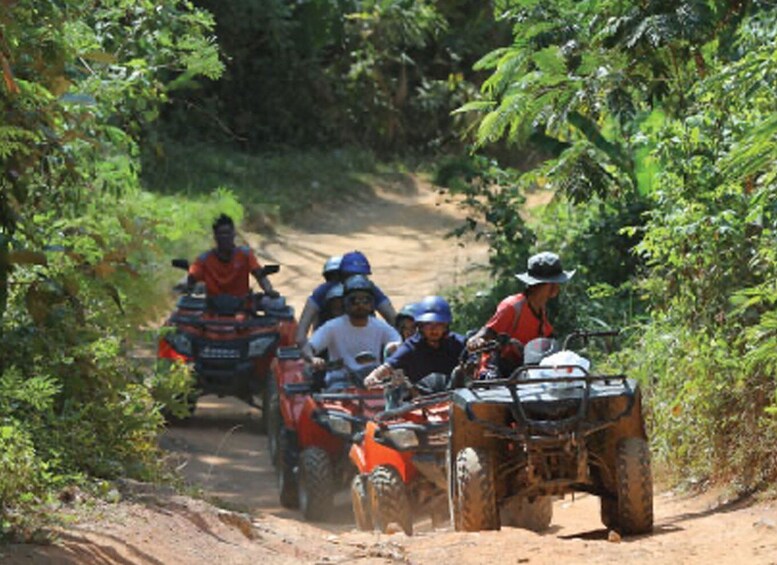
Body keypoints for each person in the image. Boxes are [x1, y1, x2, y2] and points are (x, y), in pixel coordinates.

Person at [466, 251, 574, 376]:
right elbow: (487, 332)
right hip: (498, 371)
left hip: (524, 370)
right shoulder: (512, 307)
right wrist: (476, 340)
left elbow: (548, 339)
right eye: (554, 283)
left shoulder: (541, 309)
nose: (557, 287)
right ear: (541, 284)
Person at [301, 275, 400, 390]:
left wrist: (395, 349)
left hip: (374, 381)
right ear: (346, 303)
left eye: (365, 300)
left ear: (372, 304)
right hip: (340, 383)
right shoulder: (332, 327)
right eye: (354, 300)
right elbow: (309, 347)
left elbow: (400, 344)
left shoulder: (381, 327)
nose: (360, 305)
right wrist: (313, 359)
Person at [295, 250, 397, 347]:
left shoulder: (372, 290)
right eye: (351, 275)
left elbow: (392, 318)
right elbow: (302, 332)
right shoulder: (323, 291)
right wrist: (309, 352)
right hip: (327, 347)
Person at [364, 296, 465, 393]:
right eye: (428, 324)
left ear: (446, 326)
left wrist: (475, 344)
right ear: (420, 326)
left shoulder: (456, 342)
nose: (433, 329)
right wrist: (374, 376)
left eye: (439, 324)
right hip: (418, 401)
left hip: (454, 399)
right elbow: (389, 366)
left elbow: (473, 352)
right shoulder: (411, 346)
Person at [187, 214, 278, 298]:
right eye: (221, 234)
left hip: (242, 305)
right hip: (212, 308)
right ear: (215, 236)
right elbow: (192, 274)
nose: (225, 237)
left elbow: (259, 274)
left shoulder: (245, 254)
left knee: (276, 304)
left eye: (227, 233)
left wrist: (269, 290)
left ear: (233, 234)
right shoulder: (205, 259)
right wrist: (184, 284)